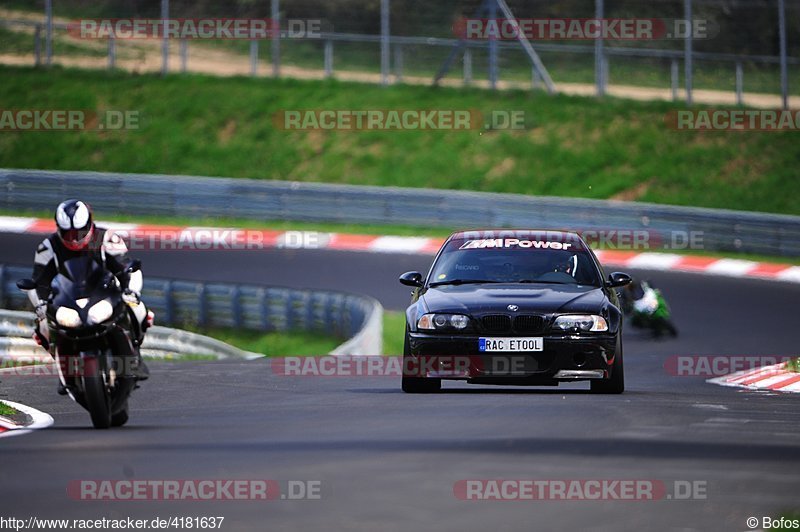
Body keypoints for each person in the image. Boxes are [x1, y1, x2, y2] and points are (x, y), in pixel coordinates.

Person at [29, 199, 151, 393]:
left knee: (139, 310)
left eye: (78, 232)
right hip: (67, 301)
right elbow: (38, 282)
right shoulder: (48, 247)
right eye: (68, 233)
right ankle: (65, 370)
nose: (74, 238)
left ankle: (134, 354)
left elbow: (126, 268)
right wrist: (40, 306)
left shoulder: (106, 239)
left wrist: (131, 291)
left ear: (89, 225)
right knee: (42, 327)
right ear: (58, 228)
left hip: (105, 294)